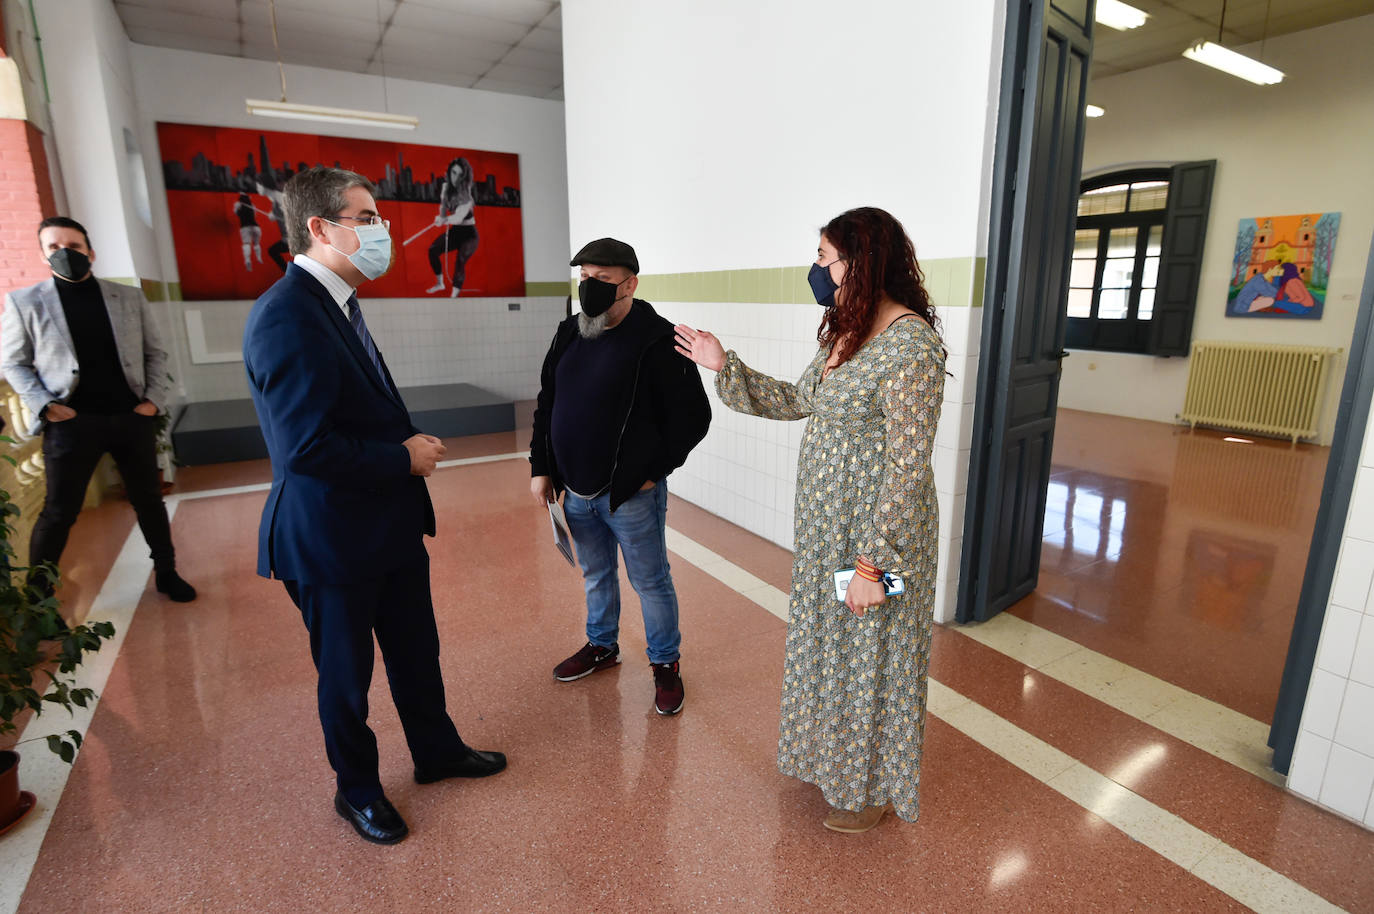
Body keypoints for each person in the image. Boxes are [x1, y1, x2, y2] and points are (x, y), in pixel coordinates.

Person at [242, 166, 505, 845]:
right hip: (330, 539)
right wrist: (403, 457)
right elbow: (304, 447)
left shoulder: (339, 305)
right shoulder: (287, 315)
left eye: (378, 217)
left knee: (417, 651)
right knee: (346, 676)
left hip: (385, 526)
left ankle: (437, 750)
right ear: (320, 228)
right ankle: (356, 790)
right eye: (365, 218)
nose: (381, 230)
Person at [675, 207, 945, 834]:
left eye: (825, 258)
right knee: (833, 651)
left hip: (882, 542)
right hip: (830, 534)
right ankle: (836, 768)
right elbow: (801, 400)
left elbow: (906, 468)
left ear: (864, 261)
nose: (816, 270)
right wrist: (725, 365)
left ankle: (869, 790)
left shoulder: (912, 347)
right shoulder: (844, 334)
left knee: (876, 655)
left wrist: (872, 567)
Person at [529, 237, 711, 716]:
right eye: (584, 278)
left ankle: (665, 665)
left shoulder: (659, 337)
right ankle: (602, 646)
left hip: (630, 494)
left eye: (602, 280)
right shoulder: (571, 331)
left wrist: (654, 473)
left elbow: (694, 418)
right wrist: (541, 467)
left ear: (629, 284)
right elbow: (547, 401)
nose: (589, 288)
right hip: (574, 489)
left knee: (650, 581)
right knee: (596, 574)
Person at [0, 216, 195, 602]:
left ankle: (168, 572)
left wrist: (154, 401)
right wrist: (46, 406)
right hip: (70, 423)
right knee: (59, 512)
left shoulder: (128, 298)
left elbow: (154, 353)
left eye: (72, 246)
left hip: (130, 418)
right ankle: (38, 600)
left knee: (149, 501)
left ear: (90, 252)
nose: (64, 253)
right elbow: (13, 363)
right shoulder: (25, 302)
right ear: (43, 254)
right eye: (54, 247)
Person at [426, 157, 479, 297]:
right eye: (453, 173)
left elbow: (458, 217)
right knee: (432, 250)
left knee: (460, 259)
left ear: (464, 177)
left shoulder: (467, 195)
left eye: (460, 175)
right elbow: (443, 205)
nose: (455, 178)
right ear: (449, 172)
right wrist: (441, 216)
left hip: (469, 233)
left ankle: (454, 295)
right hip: (456, 231)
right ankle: (440, 283)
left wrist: (444, 220)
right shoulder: (445, 187)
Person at [234, 192, 263, 272]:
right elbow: (254, 215)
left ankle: (247, 260)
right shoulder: (252, 205)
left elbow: (236, 213)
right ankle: (259, 258)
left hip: (244, 227)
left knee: (247, 243)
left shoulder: (238, 204)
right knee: (256, 243)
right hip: (255, 226)